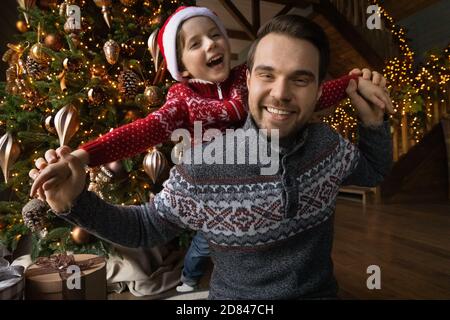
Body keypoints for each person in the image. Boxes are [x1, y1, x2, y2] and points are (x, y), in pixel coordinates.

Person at [30, 14, 393, 299]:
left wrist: (373, 122)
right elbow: (144, 226)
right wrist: (74, 198)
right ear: (248, 79)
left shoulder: (328, 146)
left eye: (300, 79)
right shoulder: (200, 164)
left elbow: (374, 172)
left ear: (317, 90)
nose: (281, 93)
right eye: (268, 75)